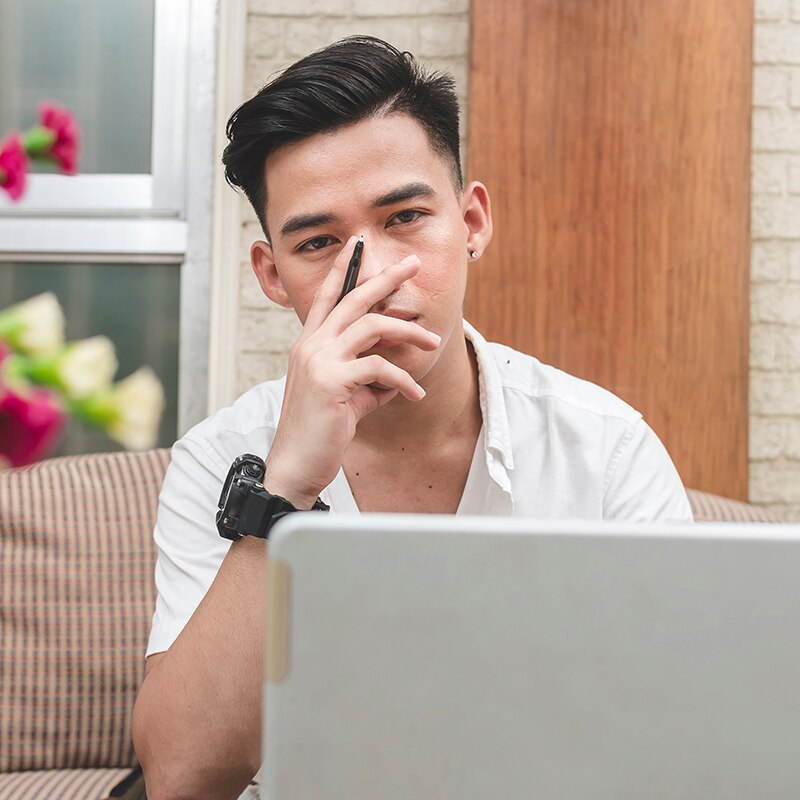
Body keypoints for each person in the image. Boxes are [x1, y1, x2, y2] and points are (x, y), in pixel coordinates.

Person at [132, 36, 692, 799]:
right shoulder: (221, 457)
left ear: (472, 221)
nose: (374, 275)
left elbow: (680, 739)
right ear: (272, 275)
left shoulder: (605, 450)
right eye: (319, 242)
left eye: (405, 217)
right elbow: (181, 778)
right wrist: (284, 487)